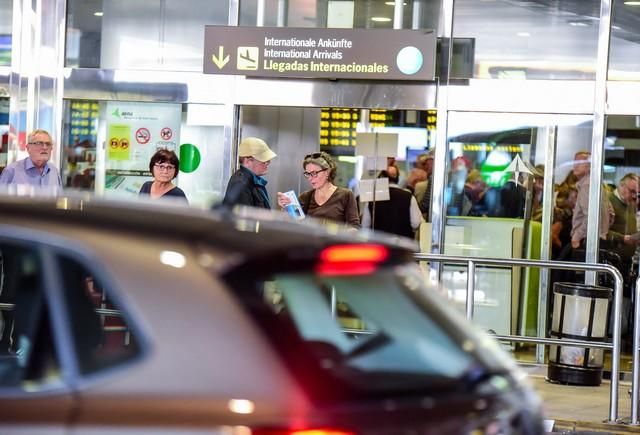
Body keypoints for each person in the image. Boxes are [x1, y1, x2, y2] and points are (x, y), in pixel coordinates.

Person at [277, 151, 360, 228]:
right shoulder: (305, 197)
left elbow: (354, 226)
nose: (310, 178)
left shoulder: (345, 195)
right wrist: (285, 208)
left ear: (327, 172)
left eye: (314, 173)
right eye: (308, 174)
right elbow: (294, 225)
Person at [361, 166, 423, 238]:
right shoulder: (409, 197)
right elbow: (416, 223)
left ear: (381, 178)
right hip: (403, 244)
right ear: (398, 178)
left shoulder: (372, 198)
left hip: (379, 244)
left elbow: (365, 225)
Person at [570, 151, 613, 249]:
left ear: (590, 166)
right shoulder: (596, 184)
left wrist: (577, 236)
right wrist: (602, 230)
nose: (575, 165)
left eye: (580, 162)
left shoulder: (586, 185)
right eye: (574, 162)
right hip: (596, 239)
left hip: (585, 241)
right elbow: (611, 213)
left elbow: (591, 215)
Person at [222, 137, 277, 209]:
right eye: (264, 160)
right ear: (248, 161)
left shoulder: (253, 181)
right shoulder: (241, 184)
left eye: (268, 160)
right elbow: (245, 218)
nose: (268, 163)